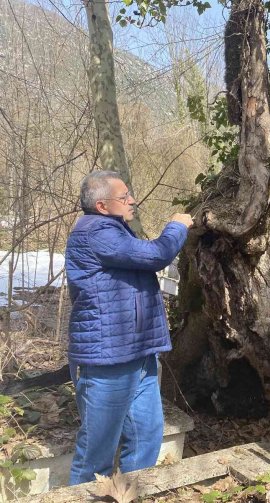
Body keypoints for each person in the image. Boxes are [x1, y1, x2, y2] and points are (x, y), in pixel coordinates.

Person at [65, 171, 193, 484]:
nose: (132, 200)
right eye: (124, 197)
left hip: (137, 355)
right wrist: (177, 225)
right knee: (96, 455)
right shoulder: (95, 232)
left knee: (146, 437)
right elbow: (156, 255)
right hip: (107, 362)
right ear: (102, 205)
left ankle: (128, 494)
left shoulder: (115, 231)